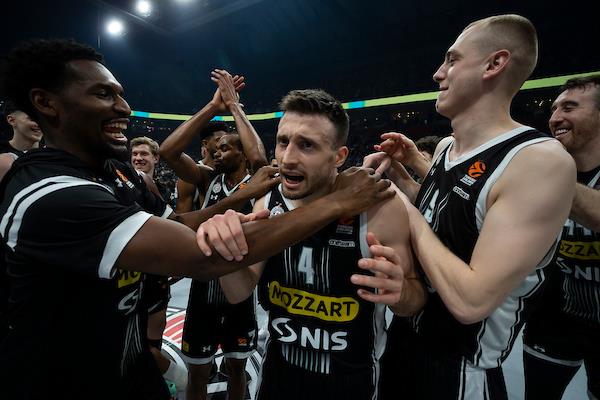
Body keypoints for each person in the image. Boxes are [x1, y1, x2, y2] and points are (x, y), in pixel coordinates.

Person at [0, 38, 393, 400]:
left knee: (230, 369)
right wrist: (335, 203)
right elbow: (203, 258)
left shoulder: (117, 173)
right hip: (62, 382)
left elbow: (180, 225)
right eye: (104, 94)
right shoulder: (47, 195)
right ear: (46, 103)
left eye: (119, 93)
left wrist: (228, 214)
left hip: (128, 366)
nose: (123, 107)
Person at [364, 14, 575, 399]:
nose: (438, 73)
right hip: (402, 340)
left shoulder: (539, 160)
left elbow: (471, 301)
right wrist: (401, 179)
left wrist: (404, 210)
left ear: (494, 64)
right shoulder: (447, 147)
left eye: (452, 59)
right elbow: (447, 219)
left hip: (460, 368)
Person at [215, 89, 426, 399]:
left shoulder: (380, 207)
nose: (287, 158)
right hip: (278, 379)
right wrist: (226, 249)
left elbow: (415, 300)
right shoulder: (267, 202)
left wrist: (402, 292)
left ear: (338, 157)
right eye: (283, 141)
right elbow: (239, 291)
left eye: (307, 145)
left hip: (353, 384)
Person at [160, 70, 272, 400]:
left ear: (241, 153)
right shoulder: (208, 179)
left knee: (237, 370)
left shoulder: (258, 180)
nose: (216, 152)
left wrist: (235, 107)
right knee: (198, 372)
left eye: (224, 148)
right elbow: (168, 152)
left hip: (240, 289)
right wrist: (213, 107)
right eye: (216, 148)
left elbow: (259, 157)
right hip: (203, 287)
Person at [522, 75, 600, 399]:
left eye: (569, 107)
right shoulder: (549, 169)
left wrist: (549, 176)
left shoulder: (547, 173)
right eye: (553, 109)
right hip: (555, 315)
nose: (554, 118)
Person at [130, 135, 189, 391]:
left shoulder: (162, 187)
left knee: (152, 343)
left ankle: (170, 382)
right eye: (134, 154)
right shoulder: (123, 184)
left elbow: (173, 226)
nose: (138, 158)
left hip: (154, 275)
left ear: (156, 158)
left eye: (144, 154)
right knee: (134, 344)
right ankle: (177, 380)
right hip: (128, 276)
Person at [175, 123, 225, 213]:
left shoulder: (230, 169)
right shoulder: (191, 173)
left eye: (225, 140)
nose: (223, 144)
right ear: (206, 144)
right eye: (218, 140)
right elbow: (182, 214)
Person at [0, 101, 43, 181]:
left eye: (42, 118)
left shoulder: (54, 151)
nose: (39, 123)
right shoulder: (2, 156)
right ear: (11, 120)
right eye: (32, 118)